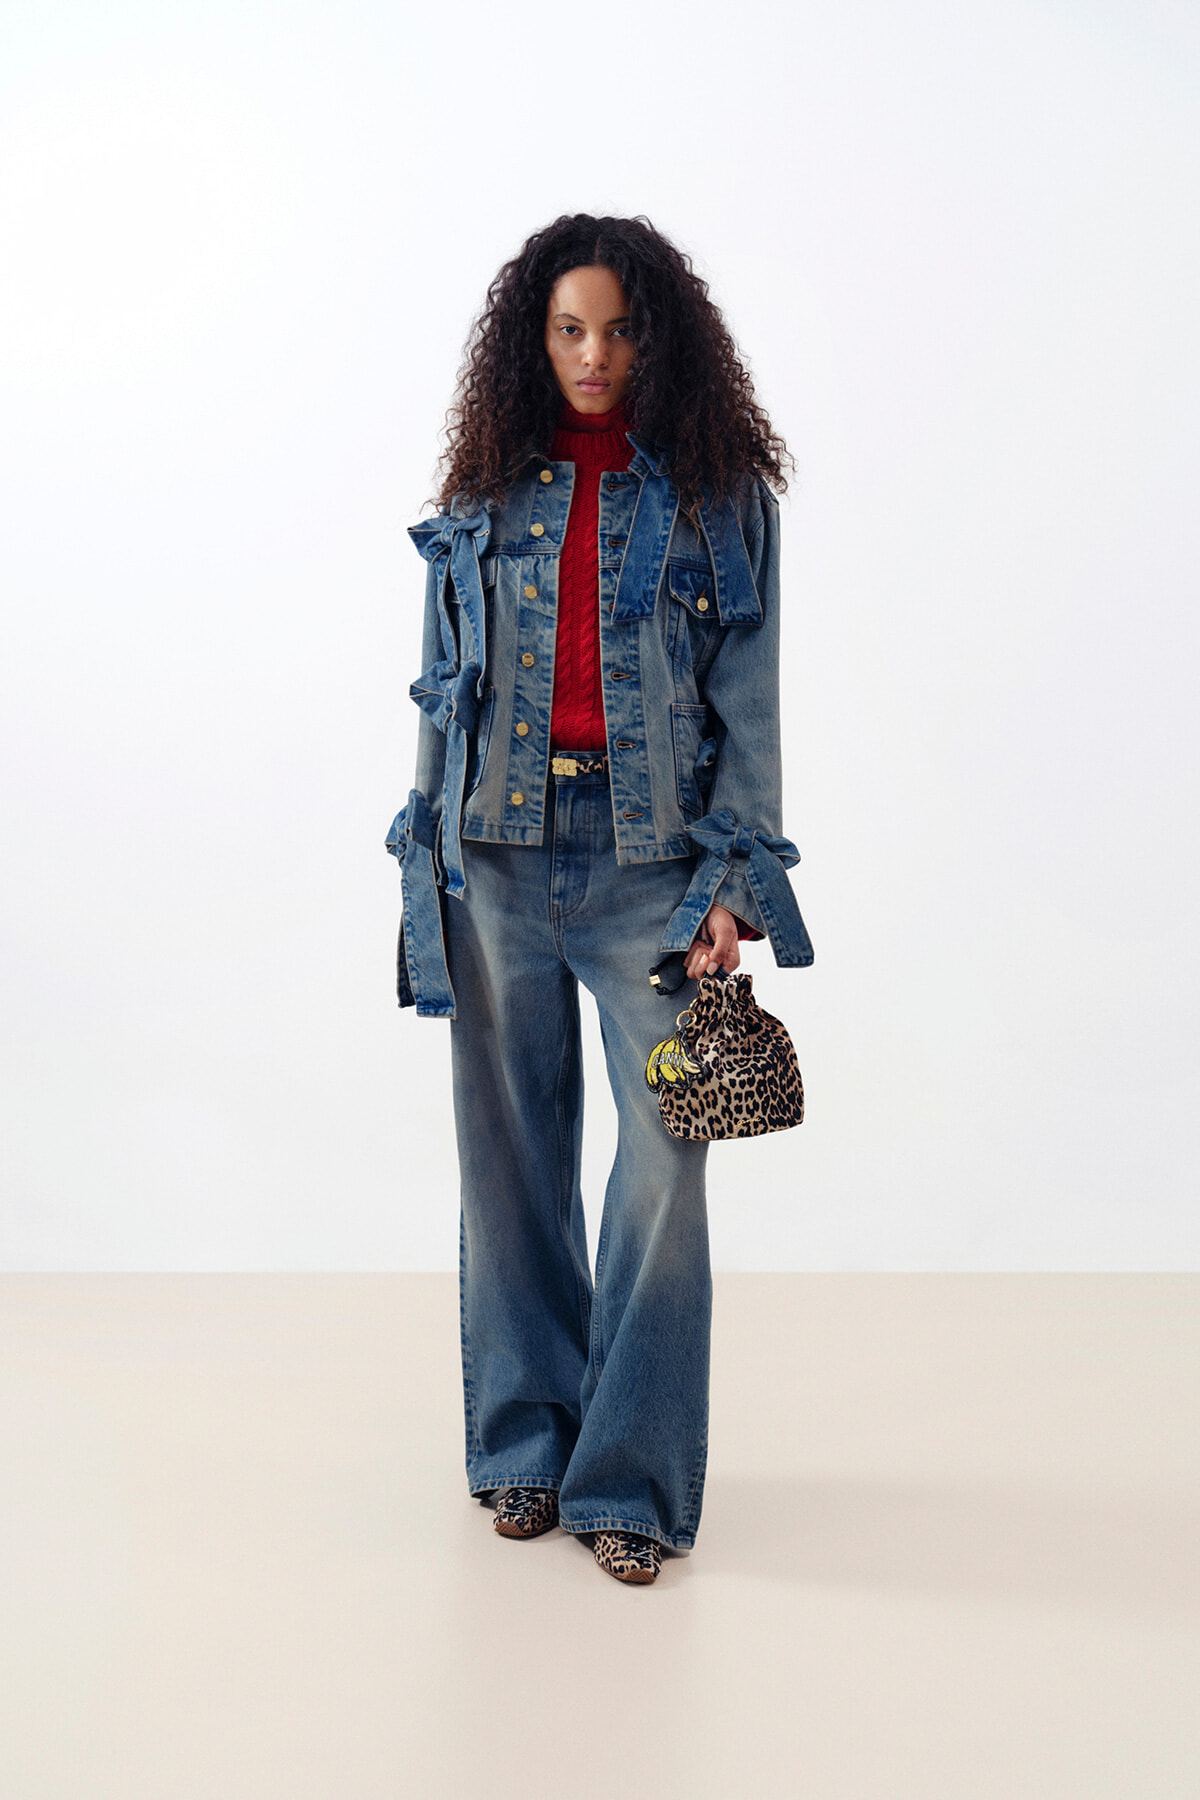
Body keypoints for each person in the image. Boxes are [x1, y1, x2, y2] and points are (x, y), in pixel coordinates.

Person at [385, 214, 813, 1585]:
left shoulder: (717, 492)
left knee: (662, 1170)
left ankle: (625, 1480)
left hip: (650, 869)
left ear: (660, 338)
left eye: (620, 329)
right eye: (569, 328)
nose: (594, 354)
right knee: (509, 1171)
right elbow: (443, 692)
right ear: (533, 336)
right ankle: (522, 1451)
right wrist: (425, 871)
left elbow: (747, 697)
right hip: (496, 853)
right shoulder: (482, 493)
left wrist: (734, 882)